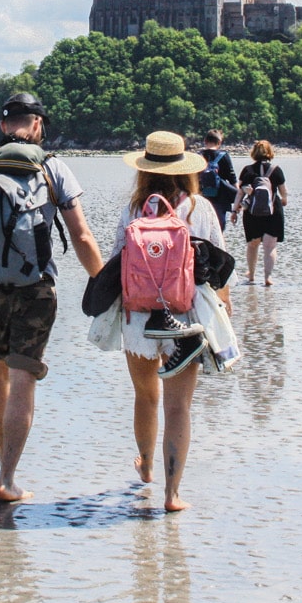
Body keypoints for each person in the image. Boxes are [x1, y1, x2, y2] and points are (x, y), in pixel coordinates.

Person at [0, 92, 103, 502]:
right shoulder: (53, 168)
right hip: (36, 289)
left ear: (2, 126)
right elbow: (81, 236)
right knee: (23, 381)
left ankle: (1, 456)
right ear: (38, 125)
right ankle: (8, 478)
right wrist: (103, 284)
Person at [109, 130, 231, 512]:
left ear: (144, 170)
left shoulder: (133, 210)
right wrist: (225, 315)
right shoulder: (199, 208)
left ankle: (145, 466)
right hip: (185, 319)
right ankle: (172, 494)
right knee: (179, 407)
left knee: (146, 396)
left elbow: (116, 260)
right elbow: (220, 271)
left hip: (139, 319)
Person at [235, 140, 287, 286]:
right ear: (270, 152)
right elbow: (284, 192)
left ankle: (251, 276)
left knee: (253, 244)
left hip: (252, 211)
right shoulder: (276, 169)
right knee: (270, 247)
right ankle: (267, 278)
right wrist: (284, 200)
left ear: (254, 153)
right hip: (273, 210)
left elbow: (240, 192)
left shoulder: (247, 170)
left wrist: (235, 210)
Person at [197, 130, 239, 230]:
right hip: (220, 200)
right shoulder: (224, 156)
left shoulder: (198, 156)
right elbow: (233, 180)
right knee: (218, 231)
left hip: (201, 199)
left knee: (202, 231)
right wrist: (238, 200)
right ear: (219, 142)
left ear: (205, 141)